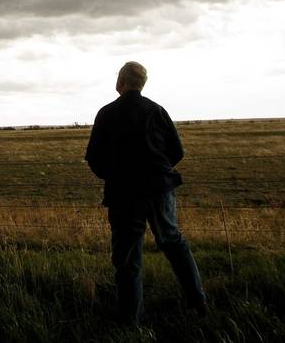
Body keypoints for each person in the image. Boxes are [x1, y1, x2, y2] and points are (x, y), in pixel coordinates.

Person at [85, 61, 207, 324]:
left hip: (123, 194)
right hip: (159, 189)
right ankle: (199, 304)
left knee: (128, 257)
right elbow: (177, 151)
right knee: (174, 243)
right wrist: (158, 171)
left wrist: (114, 176)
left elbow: (93, 157)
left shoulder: (107, 113)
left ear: (121, 82)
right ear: (141, 84)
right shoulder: (156, 110)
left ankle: (131, 319)